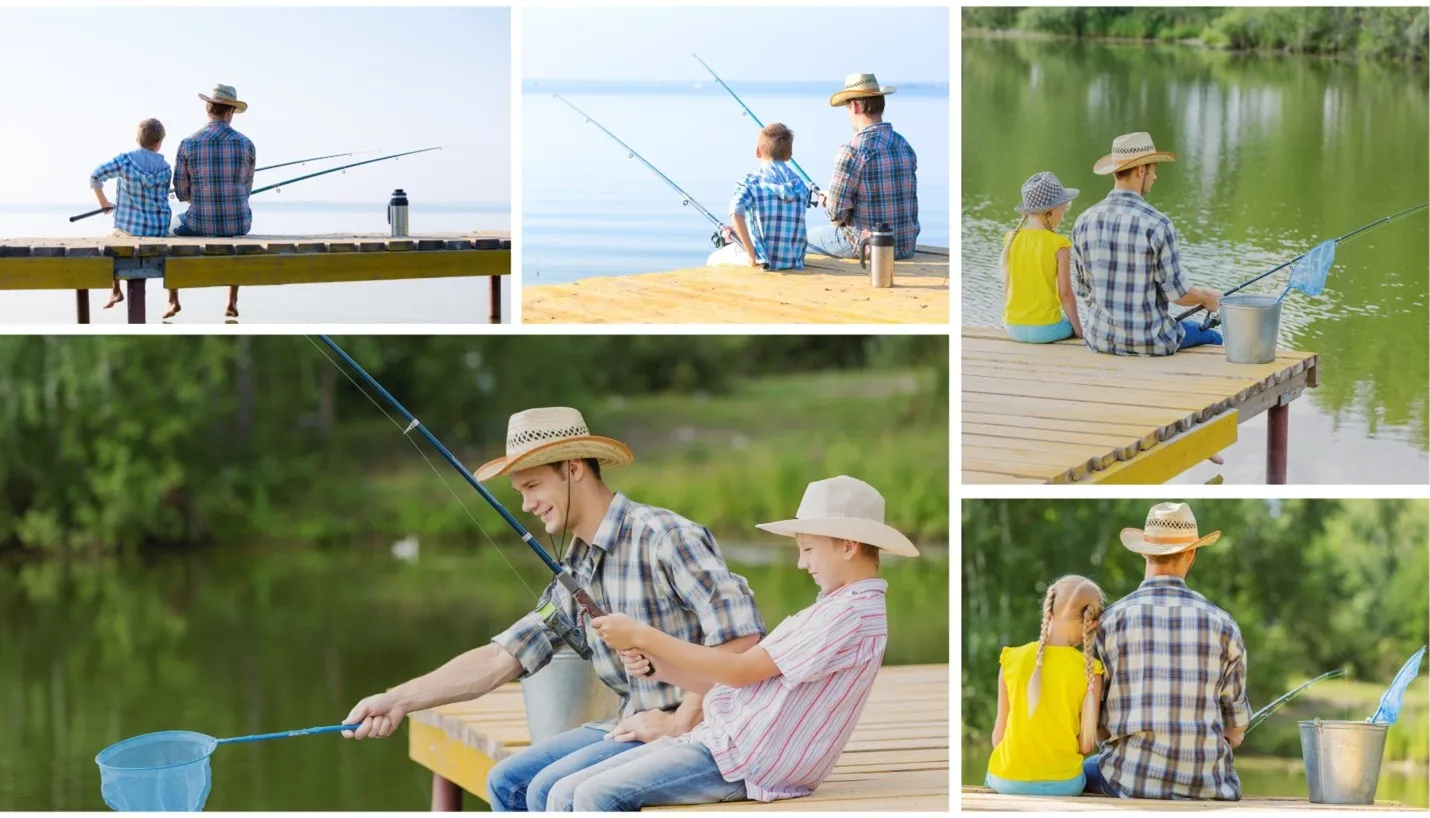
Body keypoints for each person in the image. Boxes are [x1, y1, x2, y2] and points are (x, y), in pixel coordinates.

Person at [338, 407, 765, 812]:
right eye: (520, 492)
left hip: (705, 728)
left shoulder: (665, 537)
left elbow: (743, 639)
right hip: (632, 723)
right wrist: (397, 700)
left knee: (549, 790)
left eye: (532, 486)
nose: (526, 504)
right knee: (507, 781)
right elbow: (500, 658)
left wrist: (679, 722)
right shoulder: (576, 570)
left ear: (573, 469)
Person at [544, 475, 920, 811]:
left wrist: (643, 635)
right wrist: (659, 666)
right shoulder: (838, 607)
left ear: (849, 546)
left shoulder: (850, 614)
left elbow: (740, 670)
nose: (801, 563)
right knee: (563, 793)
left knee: (593, 796)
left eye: (808, 549)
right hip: (726, 744)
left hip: (746, 759)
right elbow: (743, 681)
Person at [1085, 502, 1251, 800]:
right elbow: (1236, 729)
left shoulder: (1109, 622)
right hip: (1208, 786)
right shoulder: (1224, 625)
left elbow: (1095, 723)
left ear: (1144, 552)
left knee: (1080, 771)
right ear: (1191, 554)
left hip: (1126, 780)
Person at [1071, 132, 1224, 356]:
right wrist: (1207, 297)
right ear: (1141, 170)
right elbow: (1178, 294)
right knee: (1214, 337)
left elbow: (1083, 290)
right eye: (1153, 170)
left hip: (1099, 339)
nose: (1155, 177)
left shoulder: (1083, 221)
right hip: (1150, 342)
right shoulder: (1158, 224)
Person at [985, 575, 1104, 796]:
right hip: (1065, 785)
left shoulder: (1012, 659)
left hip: (1008, 781)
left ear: (1048, 610)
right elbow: (1086, 746)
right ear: (1092, 623)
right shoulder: (1091, 671)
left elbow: (998, 738)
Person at [808, 73, 920, 261]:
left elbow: (836, 216)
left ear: (855, 106)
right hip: (905, 246)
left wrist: (827, 202)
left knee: (806, 237)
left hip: (870, 248)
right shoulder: (903, 144)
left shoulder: (852, 150)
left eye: (847, 107)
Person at [170, 83, 256, 320]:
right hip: (239, 224)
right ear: (230, 111)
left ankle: (173, 298)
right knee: (232, 239)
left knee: (170, 226)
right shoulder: (246, 144)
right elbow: (246, 189)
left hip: (199, 223)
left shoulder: (188, 143)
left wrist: (200, 197)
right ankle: (232, 301)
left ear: (208, 108)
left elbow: (181, 193)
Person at [89, 118, 172, 310]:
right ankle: (171, 299)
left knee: (111, 241)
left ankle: (116, 290)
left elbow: (95, 176)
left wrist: (104, 203)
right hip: (158, 230)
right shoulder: (166, 168)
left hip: (130, 230)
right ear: (159, 144)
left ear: (137, 139)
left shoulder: (125, 161)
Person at [707, 123, 810, 271]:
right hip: (794, 262)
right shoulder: (800, 185)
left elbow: (735, 212)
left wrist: (751, 254)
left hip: (764, 261)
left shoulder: (752, 181)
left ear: (758, 151)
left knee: (714, 259)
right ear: (789, 155)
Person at [1001, 172, 1083, 343]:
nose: (1063, 215)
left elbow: (1007, 287)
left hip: (1013, 328)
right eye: (1064, 209)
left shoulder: (1011, 238)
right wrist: (1079, 331)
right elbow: (1066, 294)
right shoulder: (1060, 245)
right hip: (1045, 330)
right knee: (1068, 323)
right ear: (1051, 212)